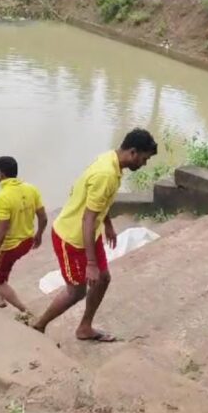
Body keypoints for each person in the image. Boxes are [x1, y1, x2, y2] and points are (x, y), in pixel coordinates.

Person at [32, 128, 158, 341]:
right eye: (144, 159)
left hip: (91, 233)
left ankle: (85, 327)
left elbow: (98, 202)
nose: (144, 164)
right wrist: (90, 263)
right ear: (133, 152)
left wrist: (107, 224)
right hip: (72, 238)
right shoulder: (106, 174)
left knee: (103, 278)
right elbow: (87, 219)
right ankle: (38, 325)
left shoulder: (111, 160)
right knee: (76, 291)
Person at [0, 156, 47, 314]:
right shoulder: (31, 189)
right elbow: (43, 218)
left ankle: (25, 311)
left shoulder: (2, 197)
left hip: (10, 246)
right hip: (27, 241)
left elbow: (0, 232)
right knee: (4, 267)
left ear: (1, 174)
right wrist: (38, 235)